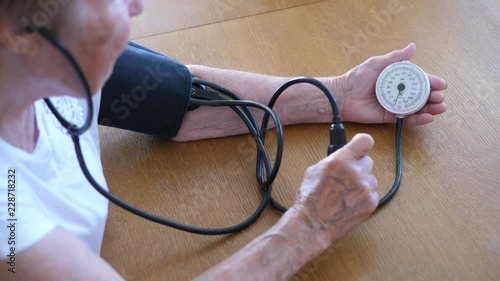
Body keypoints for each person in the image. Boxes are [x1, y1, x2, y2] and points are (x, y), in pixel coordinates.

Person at [0, 0, 447, 280]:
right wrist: (309, 227)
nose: (137, 5)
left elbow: (181, 102)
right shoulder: (9, 220)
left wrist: (338, 94)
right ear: (20, 32)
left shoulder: (52, 58)